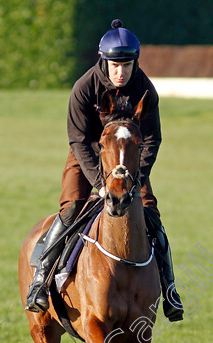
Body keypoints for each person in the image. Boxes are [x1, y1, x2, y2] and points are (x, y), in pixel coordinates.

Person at [24, 19, 183, 322]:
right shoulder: (85, 88)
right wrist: (99, 181)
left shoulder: (145, 90)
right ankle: (40, 281)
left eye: (126, 65)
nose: (120, 72)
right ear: (104, 61)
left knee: (151, 213)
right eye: (115, 65)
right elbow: (79, 139)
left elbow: (152, 138)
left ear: (135, 63)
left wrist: (138, 176)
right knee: (71, 210)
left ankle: (170, 288)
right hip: (87, 157)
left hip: (129, 162)